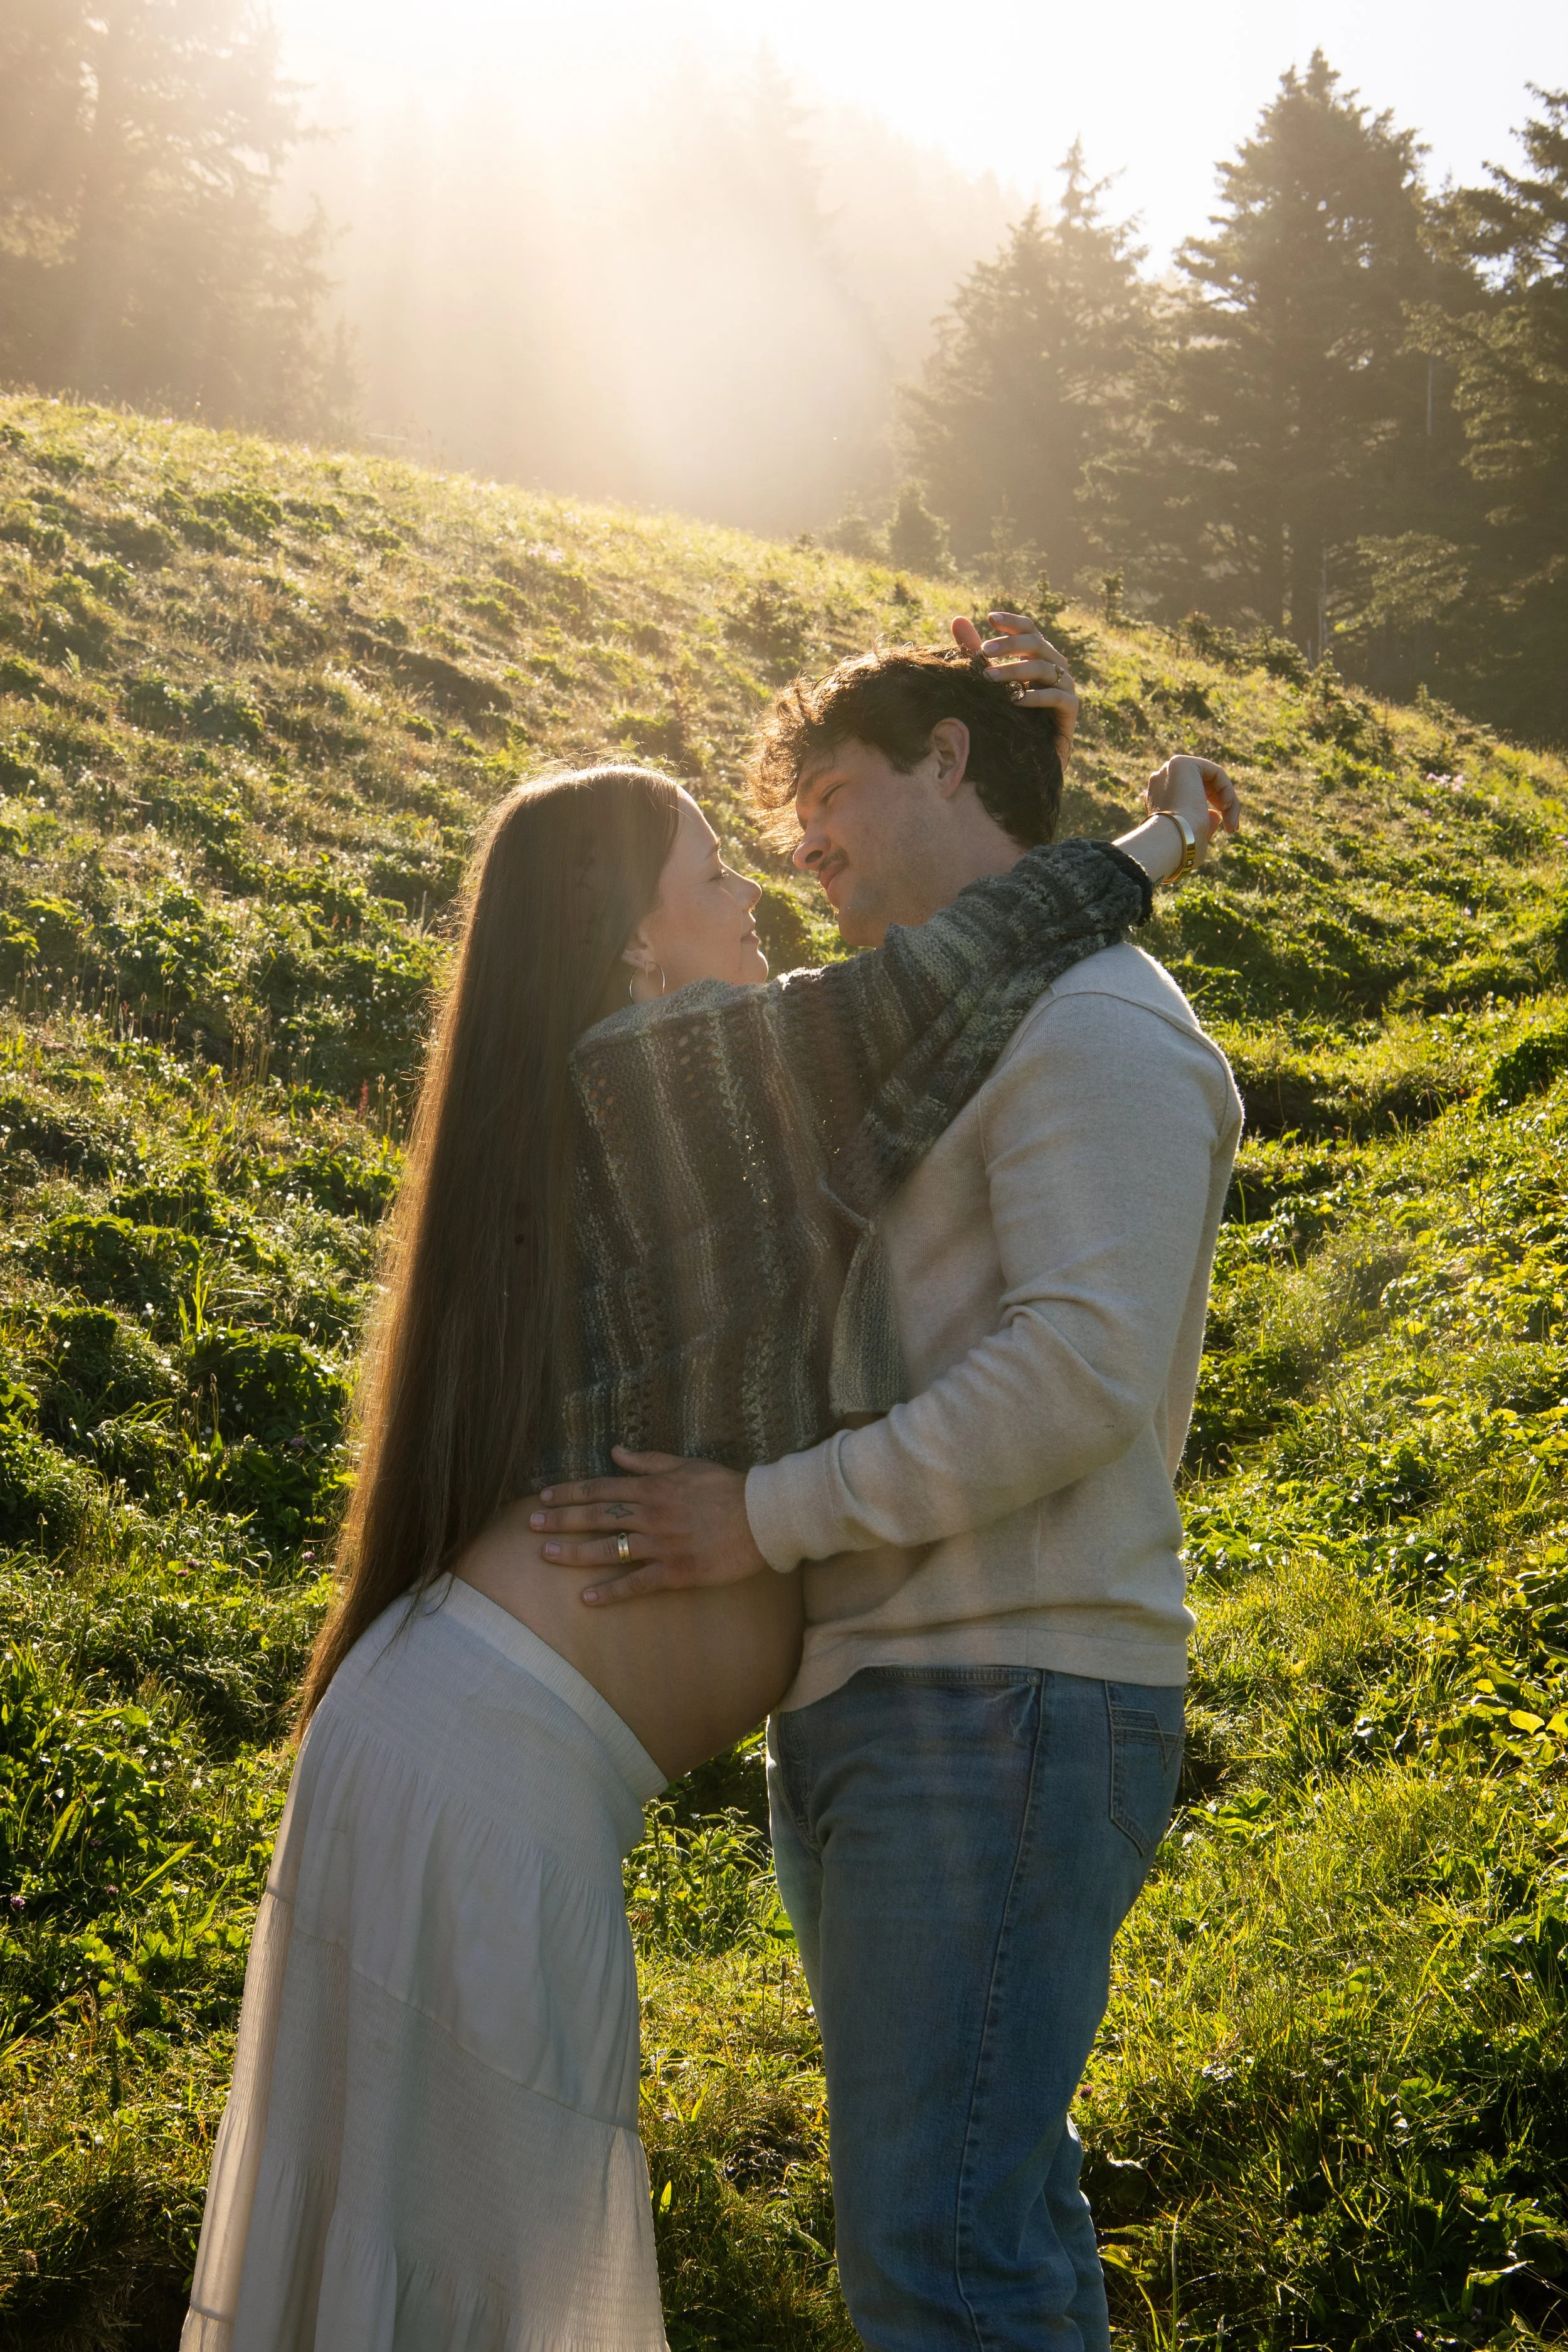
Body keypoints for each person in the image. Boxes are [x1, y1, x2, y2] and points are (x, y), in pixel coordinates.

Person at [180, 610, 1232, 2351]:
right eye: (718, 866)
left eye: (807, 811)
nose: (765, 885)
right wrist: (1147, 832)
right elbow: (952, 958)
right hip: (503, 1758)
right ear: (633, 948)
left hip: (653, 1736)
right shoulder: (690, 1078)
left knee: (873, 2248)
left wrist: (1037, 768)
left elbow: (973, 976)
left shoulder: (768, 1089)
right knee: (481, 2278)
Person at [531, 620, 1244, 2352]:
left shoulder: (1097, 1027)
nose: (806, 845)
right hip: (902, 1695)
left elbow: (1072, 1376)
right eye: (781, 824)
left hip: (1000, 1691)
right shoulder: (948, 1026)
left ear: (945, 764)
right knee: (977, 2233)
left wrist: (757, 1519)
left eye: (834, 791)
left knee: (938, 2268)